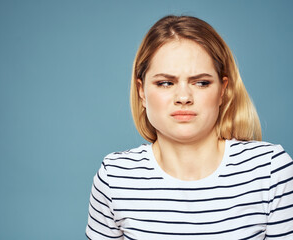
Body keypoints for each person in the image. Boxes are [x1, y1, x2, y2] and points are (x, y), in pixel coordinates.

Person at [85, 15, 293, 239]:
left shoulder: (271, 171)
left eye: (201, 82)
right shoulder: (114, 177)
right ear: (141, 92)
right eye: (165, 82)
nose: (183, 97)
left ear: (222, 90)